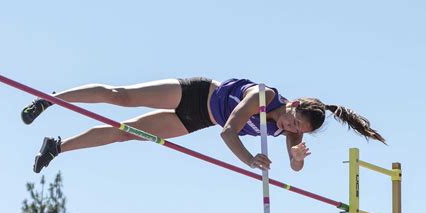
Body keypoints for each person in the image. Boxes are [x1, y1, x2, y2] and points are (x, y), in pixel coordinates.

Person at [21, 78, 385, 174]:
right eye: (294, 119)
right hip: (195, 95)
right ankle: (51, 99)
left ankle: (57, 145)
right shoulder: (265, 96)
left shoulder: (289, 133)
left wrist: (300, 157)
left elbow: (294, 164)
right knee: (120, 96)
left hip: (195, 122)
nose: (293, 126)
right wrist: (248, 160)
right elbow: (229, 130)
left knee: (124, 132)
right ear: (292, 105)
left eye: (299, 129)